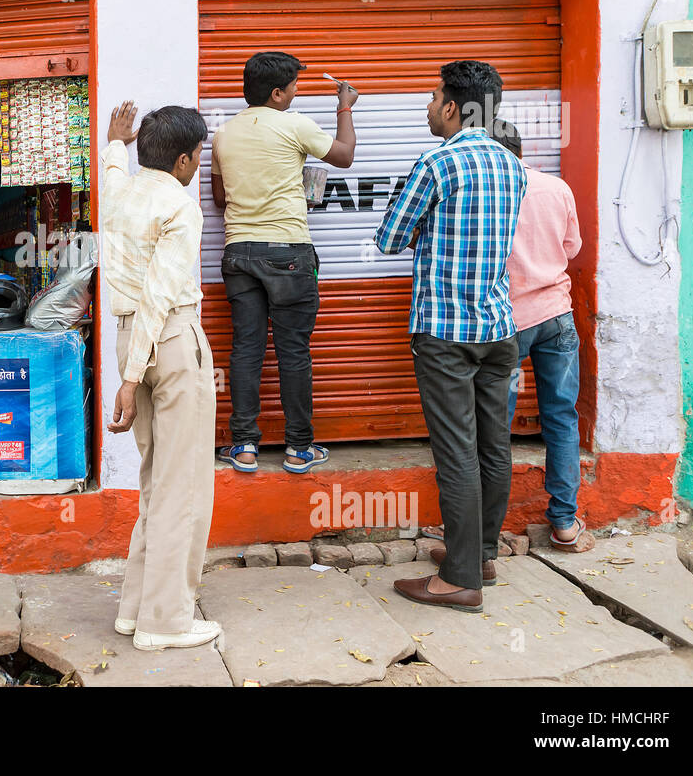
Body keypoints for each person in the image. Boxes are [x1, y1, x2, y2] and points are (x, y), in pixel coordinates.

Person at [374, 61, 526, 613]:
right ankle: (480, 554)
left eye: (433, 97)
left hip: (444, 331)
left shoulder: (437, 162)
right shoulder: (513, 167)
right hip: (498, 328)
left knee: (456, 452)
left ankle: (459, 581)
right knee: (493, 445)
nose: (427, 106)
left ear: (455, 107)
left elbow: (390, 239)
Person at [102, 100, 220, 652]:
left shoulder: (119, 192)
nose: (198, 164)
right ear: (181, 160)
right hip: (170, 343)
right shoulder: (179, 204)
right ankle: (166, 621)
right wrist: (129, 378)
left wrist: (113, 143)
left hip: (132, 339)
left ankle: (134, 610)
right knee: (184, 485)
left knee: (155, 481)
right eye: (198, 155)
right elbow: (159, 295)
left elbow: (109, 171)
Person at [210, 52, 358, 474]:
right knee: (293, 351)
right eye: (294, 86)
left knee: (246, 349)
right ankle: (298, 448)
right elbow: (344, 156)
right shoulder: (296, 126)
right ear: (277, 93)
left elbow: (221, 200)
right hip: (288, 253)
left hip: (239, 252)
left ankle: (243, 447)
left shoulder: (223, 134)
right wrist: (344, 106)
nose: (297, 92)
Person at [491, 120, 593, 553]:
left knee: (496, 423)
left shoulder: (486, 193)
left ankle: (487, 528)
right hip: (557, 320)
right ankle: (565, 524)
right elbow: (572, 249)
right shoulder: (557, 188)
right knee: (561, 416)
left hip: (508, 324)